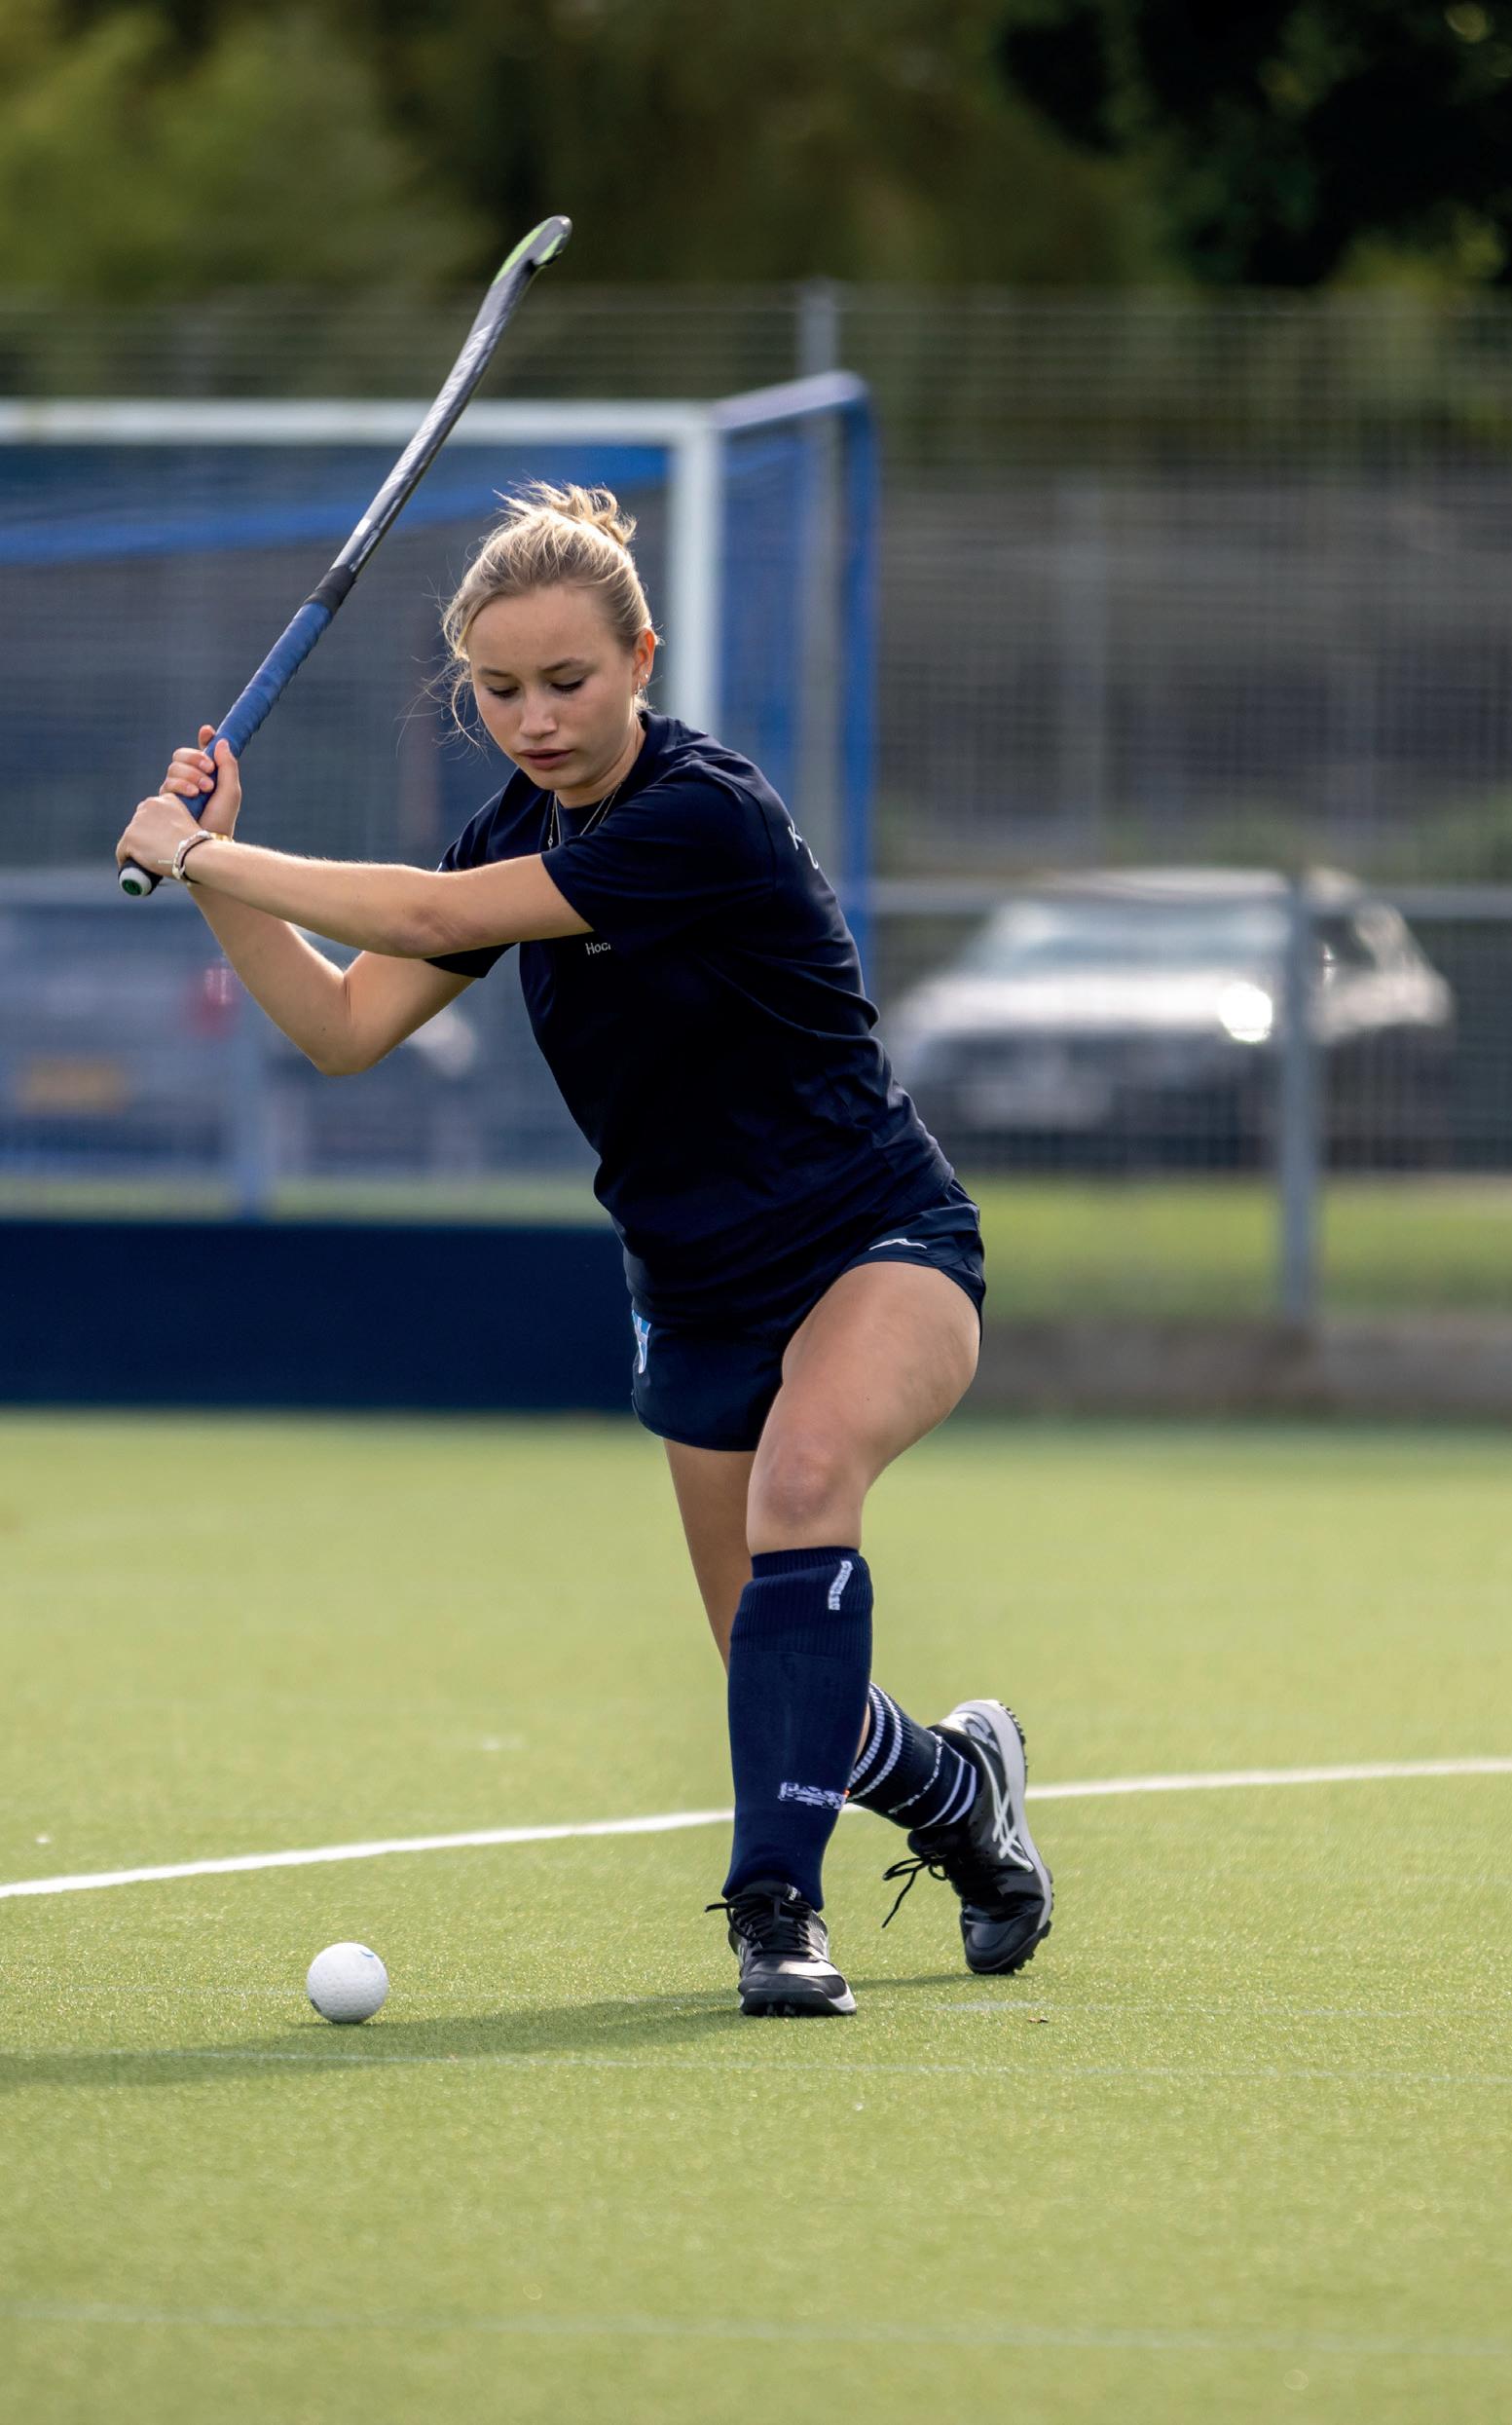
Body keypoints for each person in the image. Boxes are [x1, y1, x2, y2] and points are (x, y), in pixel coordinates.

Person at [116, 482, 1052, 2017]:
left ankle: (775, 1914)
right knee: (770, 1666)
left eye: (567, 680)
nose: (535, 719)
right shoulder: (515, 829)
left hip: (874, 1238)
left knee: (804, 1489)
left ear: (640, 660)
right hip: (694, 1289)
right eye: (499, 691)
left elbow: (428, 914)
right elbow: (344, 1024)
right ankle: (959, 1788)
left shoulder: (702, 814)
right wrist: (214, 869)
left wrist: (208, 853)